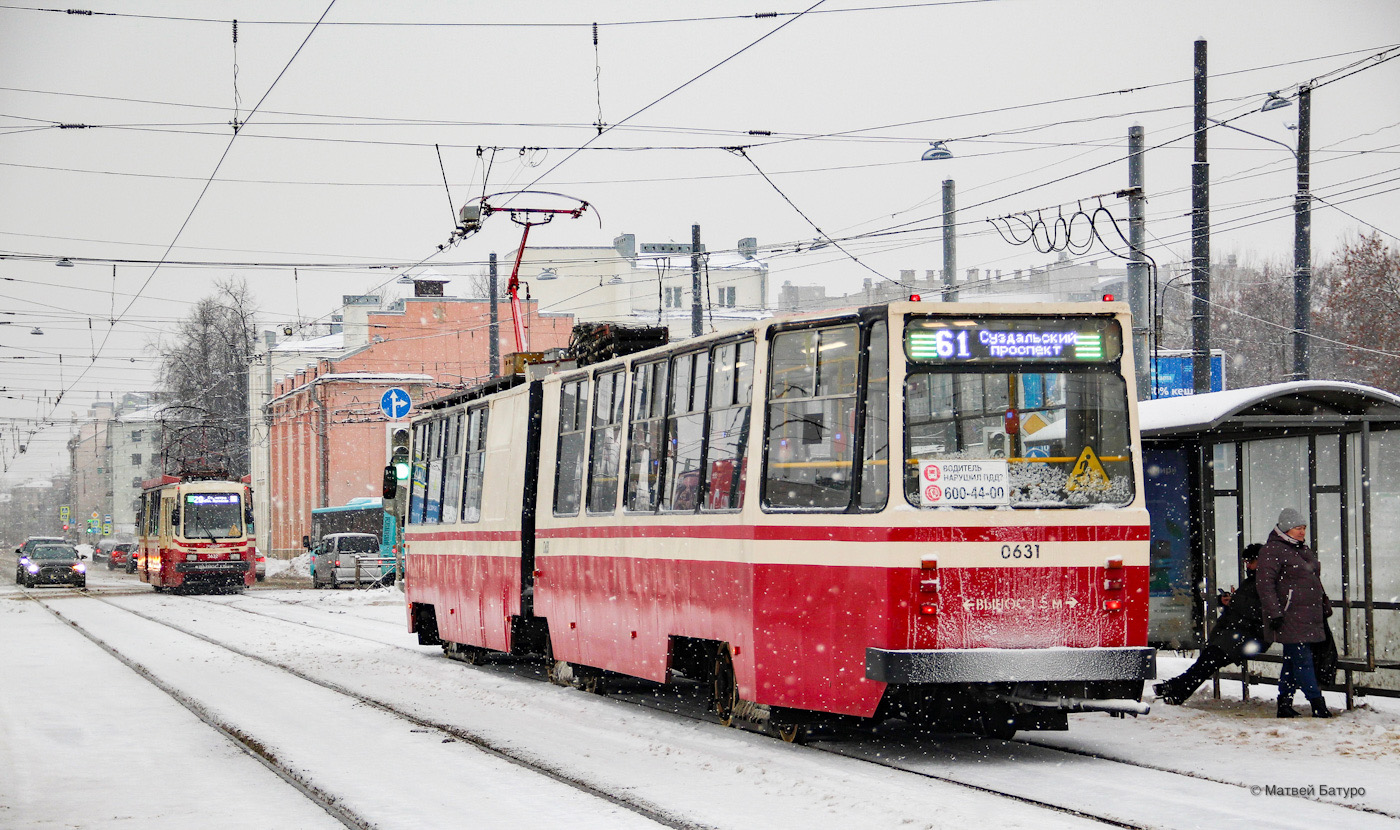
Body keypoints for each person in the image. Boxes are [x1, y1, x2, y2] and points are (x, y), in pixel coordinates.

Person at [1154, 544, 1265, 705]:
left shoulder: (1265, 581)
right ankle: (1177, 688)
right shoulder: (1255, 580)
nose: (1248, 565)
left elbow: (1258, 610)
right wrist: (1229, 602)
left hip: (1249, 636)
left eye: (1251, 561)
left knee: (1208, 660)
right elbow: (1247, 607)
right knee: (1207, 659)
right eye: (1246, 561)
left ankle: (1176, 689)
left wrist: (1234, 602)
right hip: (1237, 634)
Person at [1256, 507, 1333, 718]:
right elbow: (1265, 584)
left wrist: (1323, 603)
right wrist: (1275, 613)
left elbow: (1312, 580)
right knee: (1302, 660)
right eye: (1298, 528)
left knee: (1293, 659)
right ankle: (1317, 703)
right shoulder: (1272, 550)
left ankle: (1284, 703)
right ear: (1286, 528)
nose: (1302, 532)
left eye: (1304, 528)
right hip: (1289, 615)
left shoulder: (1301, 549)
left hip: (1305, 615)